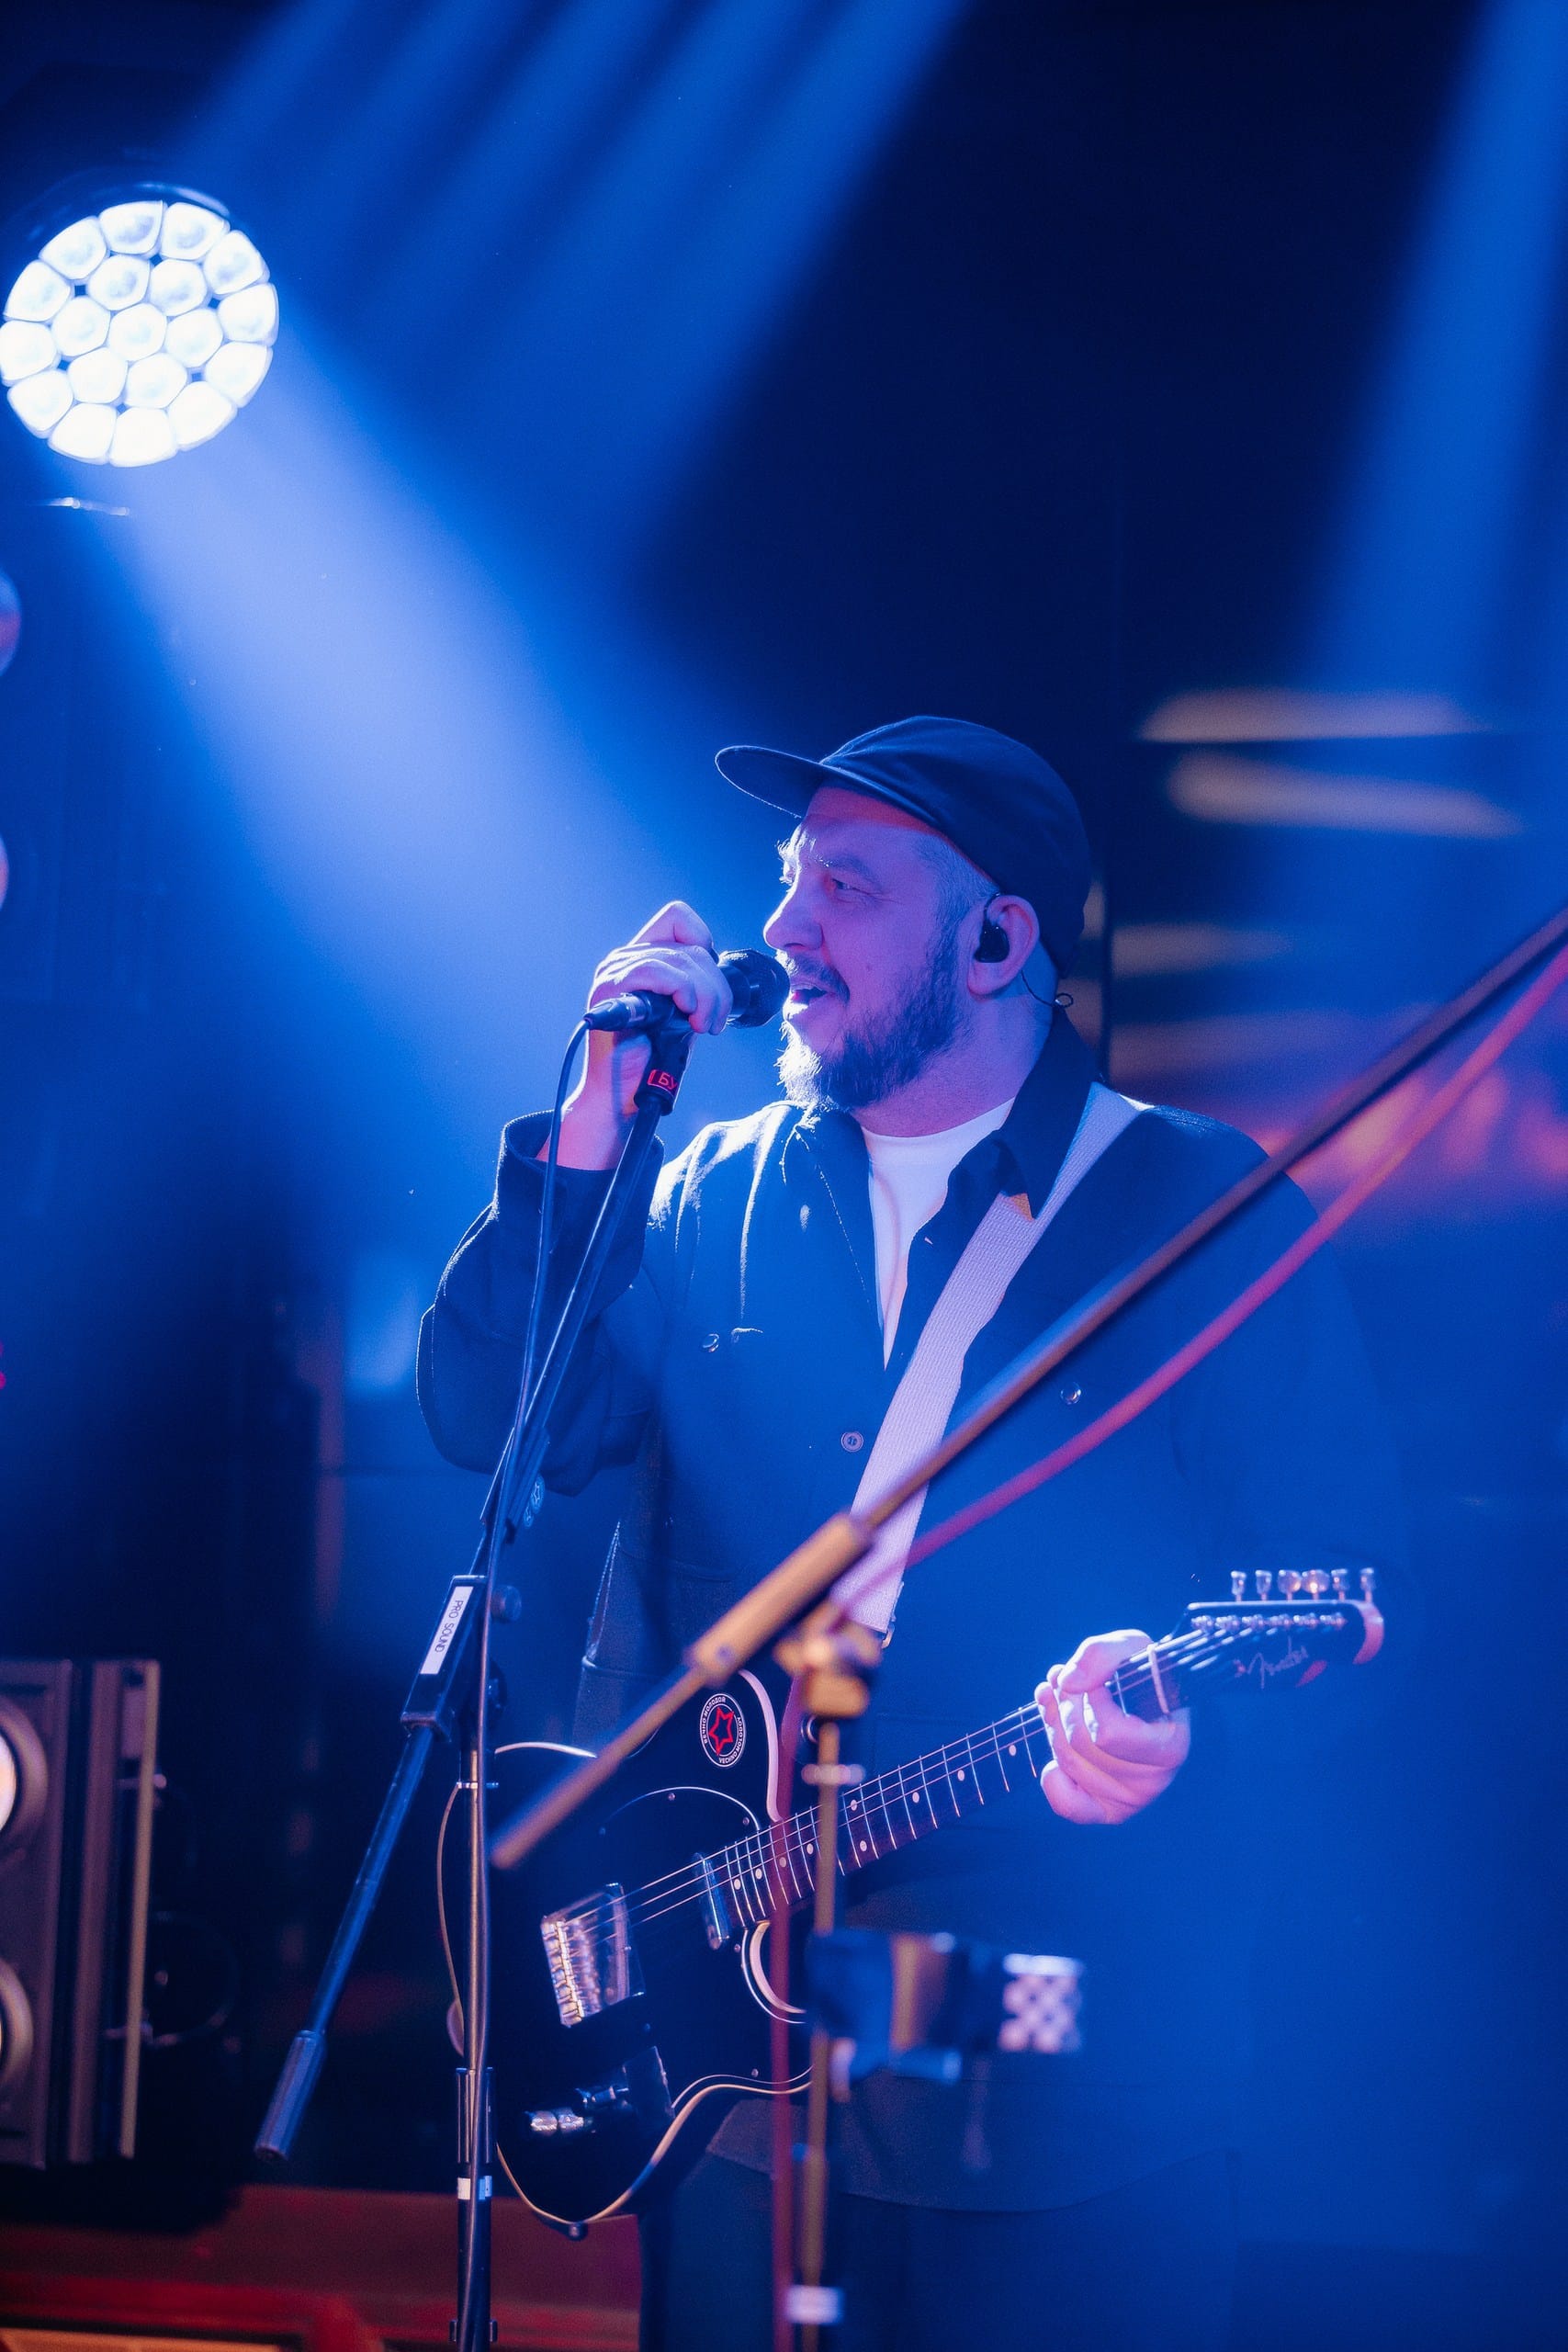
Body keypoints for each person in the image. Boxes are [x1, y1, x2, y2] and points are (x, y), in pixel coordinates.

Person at [418, 716, 1404, 2352]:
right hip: (731, 2085)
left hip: (1060, 2096)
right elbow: (486, 1415)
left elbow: (1351, 1610)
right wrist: (586, 1143)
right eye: (788, 881)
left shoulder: (1201, 1214)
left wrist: (1191, 1729)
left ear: (1000, 941)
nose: (783, 929)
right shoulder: (707, 1194)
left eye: (847, 890)